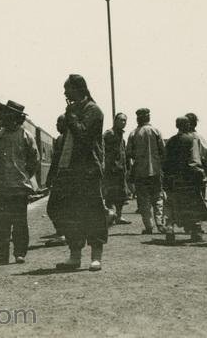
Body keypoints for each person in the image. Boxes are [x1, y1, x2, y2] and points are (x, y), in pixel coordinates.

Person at [52, 74, 108, 272]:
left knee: (93, 213)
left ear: (79, 89)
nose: (65, 93)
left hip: (88, 169)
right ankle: (74, 256)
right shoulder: (74, 110)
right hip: (71, 170)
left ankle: (96, 257)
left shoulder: (93, 110)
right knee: (70, 213)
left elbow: (83, 136)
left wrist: (72, 118)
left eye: (68, 89)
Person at [0, 100, 39, 265]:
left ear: (16, 117)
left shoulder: (26, 135)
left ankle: (19, 253)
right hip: (3, 187)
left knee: (18, 222)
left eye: (8, 114)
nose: (4, 117)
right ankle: (2, 255)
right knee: (0, 224)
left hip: (17, 187)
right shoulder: (1, 135)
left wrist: (23, 175)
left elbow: (34, 160)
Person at [163, 116, 207, 244]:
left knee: (173, 204)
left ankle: (169, 230)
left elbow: (166, 161)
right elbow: (195, 159)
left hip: (174, 178)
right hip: (189, 178)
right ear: (188, 125)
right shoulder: (193, 140)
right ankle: (196, 233)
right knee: (194, 205)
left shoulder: (170, 141)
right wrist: (202, 173)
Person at [127, 108, 166, 234]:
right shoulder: (156, 131)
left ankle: (148, 226)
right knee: (158, 198)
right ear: (149, 117)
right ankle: (160, 223)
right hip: (155, 170)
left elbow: (129, 152)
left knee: (144, 200)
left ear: (138, 118)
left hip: (140, 172)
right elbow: (163, 150)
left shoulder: (133, 133)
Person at [103, 113, 132, 225]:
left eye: (125, 120)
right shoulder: (109, 134)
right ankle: (110, 215)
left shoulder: (121, 137)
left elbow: (123, 154)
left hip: (120, 170)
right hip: (111, 170)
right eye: (121, 120)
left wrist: (126, 167)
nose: (123, 122)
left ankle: (118, 216)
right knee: (110, 194)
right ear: (115, 121)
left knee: (121, 195)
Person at [45, 114, 68, 246]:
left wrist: (50, 179)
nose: (57, 125)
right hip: (67, 179)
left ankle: (62, 234)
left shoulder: (61, 139)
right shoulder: (68, 138)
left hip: (61, 179)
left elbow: (55, 162)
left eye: (59, 123)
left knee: (52, 208)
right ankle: (64, 234)